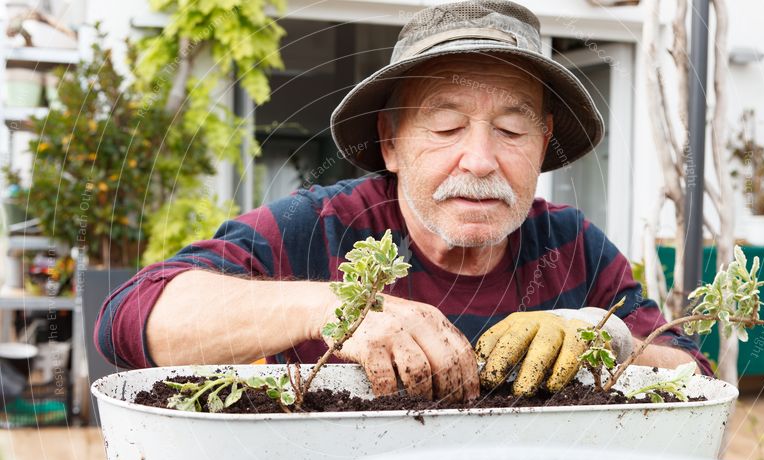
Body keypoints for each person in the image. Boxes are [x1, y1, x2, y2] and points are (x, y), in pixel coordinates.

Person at [95, 0, 711, 403]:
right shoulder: (323, 228)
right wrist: (334, 308)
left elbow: (696, 379)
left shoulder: (571, 247)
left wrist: (607, 339)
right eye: (445, 128)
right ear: (390, 141)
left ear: (544, 142)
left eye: (513, 130)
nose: (479, 159)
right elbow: (131, 319)